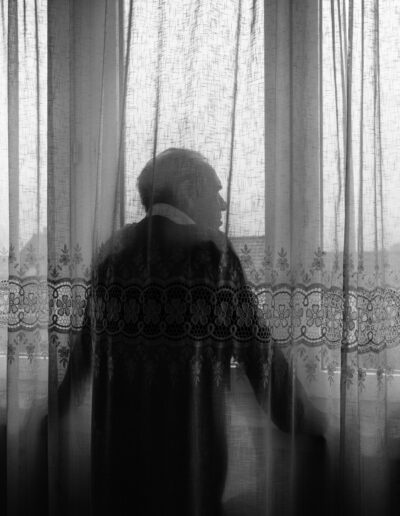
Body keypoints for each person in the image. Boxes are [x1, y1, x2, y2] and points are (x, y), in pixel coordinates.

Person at [60, 148, 324, 516]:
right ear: (186, 190)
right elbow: (255, 348)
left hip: (117, 452)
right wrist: (304, 420)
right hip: (186, 452)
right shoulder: (210, 252)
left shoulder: (114, 250)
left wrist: (56, 408)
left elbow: (87, 344)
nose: (223, 204)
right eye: (215, 191)